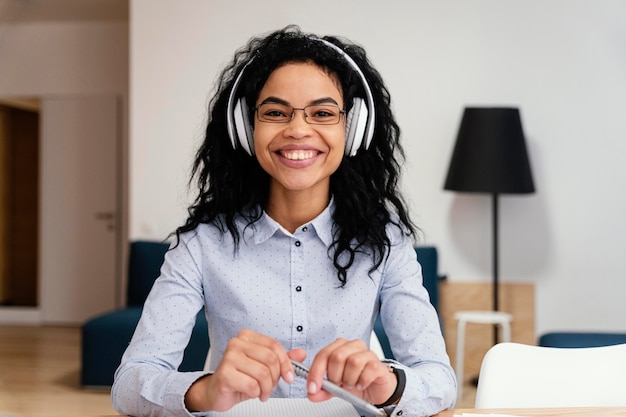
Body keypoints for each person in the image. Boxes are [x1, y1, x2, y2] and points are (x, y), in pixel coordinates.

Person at [111, 25, 456, 417]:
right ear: (246, 127)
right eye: (275, 112)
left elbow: (440, 380)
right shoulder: (202, 244)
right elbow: (129, 384)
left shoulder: (386, 242)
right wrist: (205, 391)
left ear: (353, 129)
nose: (297, 130)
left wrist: (389, 386)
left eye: (323, 113)